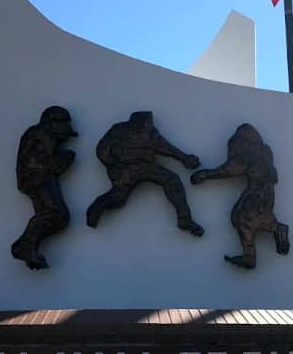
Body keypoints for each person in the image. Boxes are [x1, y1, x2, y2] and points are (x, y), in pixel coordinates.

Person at [87, 111, 204, 236]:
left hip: (146, 166)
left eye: (150, 123)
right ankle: (96, 207)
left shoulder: (150, 133)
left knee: (172, 180)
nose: (149, 125)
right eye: (147, 122)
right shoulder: (118, 130)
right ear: (138, 122)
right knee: (118, 197)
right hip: (125, 170)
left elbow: (165, 147)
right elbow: (102, 150)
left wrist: (185, 158)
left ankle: (184, 219)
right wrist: (114, 165)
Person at [191, 123, 290, 268]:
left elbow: (229, 170)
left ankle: (251, 255)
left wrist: (205, 175)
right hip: (268, 192)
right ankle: (277, 229)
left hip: (255, 192)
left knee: (240, 218)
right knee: (258, 218)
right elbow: (274, 176)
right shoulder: (265, 152)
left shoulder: (248, 152)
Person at [11, 106, 78, 270]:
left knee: (55, 215)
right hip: (37, 178)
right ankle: (23, 246)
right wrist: (65, 159)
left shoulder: (41, 134)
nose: (65, 135)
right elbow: (48, 163)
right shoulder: (41, 134)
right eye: (63, 128)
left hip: (37, 177)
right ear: (52, 124)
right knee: (56, 214)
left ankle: (29, 248)